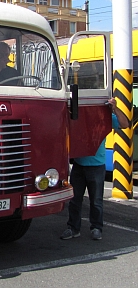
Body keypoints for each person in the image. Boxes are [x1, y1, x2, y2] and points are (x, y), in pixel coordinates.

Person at [60, 97, 129, 241]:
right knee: (74, 200)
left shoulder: (106, 117)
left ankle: (96, 228)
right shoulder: (77, 116)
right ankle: (73, 228)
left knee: (96, 201)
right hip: (79, 165)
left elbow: (124, 124)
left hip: (97, 166)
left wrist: (114, 108)